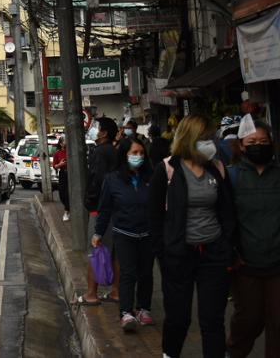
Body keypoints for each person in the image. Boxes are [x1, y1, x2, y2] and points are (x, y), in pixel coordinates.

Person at [149, 114, 235, 358]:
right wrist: (162, 253)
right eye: (205, 138)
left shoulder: (216, 168)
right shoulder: (166, 169)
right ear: (190, 139)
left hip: (214, 254)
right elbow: (154, 216)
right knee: (178, 318)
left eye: (212, 137)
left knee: (212, 320)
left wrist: (226, 247)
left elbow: (228, 211)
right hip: (178, 256)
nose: (212, 142)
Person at [227, 118, 280, 358]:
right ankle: (234, 352)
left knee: (278, 322)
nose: (258, 145)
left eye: (264, 141)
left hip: (277, 264)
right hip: (245, 265)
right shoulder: (232, 177)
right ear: (241, 145)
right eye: (252, 141)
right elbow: (224, 220)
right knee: (248, 319)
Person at [94, 137, 155, 332]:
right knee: (128, 273)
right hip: (124, 233)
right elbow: (104, 209)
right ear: (124, 156)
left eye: (141, 153)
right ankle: (126, 312)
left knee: (146, 273)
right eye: (134, 153)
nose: (138, 157)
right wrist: (98, 233)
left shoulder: (151, 177)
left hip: (148, 234)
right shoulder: (112, 179)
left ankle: (143, 309)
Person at [78, 117, 121, 305]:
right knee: (114, 253)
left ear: (103, 133)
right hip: (115, 208)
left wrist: (91, 204)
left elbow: (97, 181)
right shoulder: (113, 151)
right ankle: (116, 292)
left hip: (100, 209)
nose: (92, 129)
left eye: (96, 127)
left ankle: (91, 294)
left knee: (95, 251)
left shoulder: (100, 152)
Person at [53, 137, 70, 221]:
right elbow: (54, 166)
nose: (66, 142)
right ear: (61, 144)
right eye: (64, 141)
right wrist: (60, 164)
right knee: (62, 194)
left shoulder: (70, 151)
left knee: (67, 193)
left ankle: (66, 212)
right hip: (63, 173)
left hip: (71, 174)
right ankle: (68, 207)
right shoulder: (57, 153)